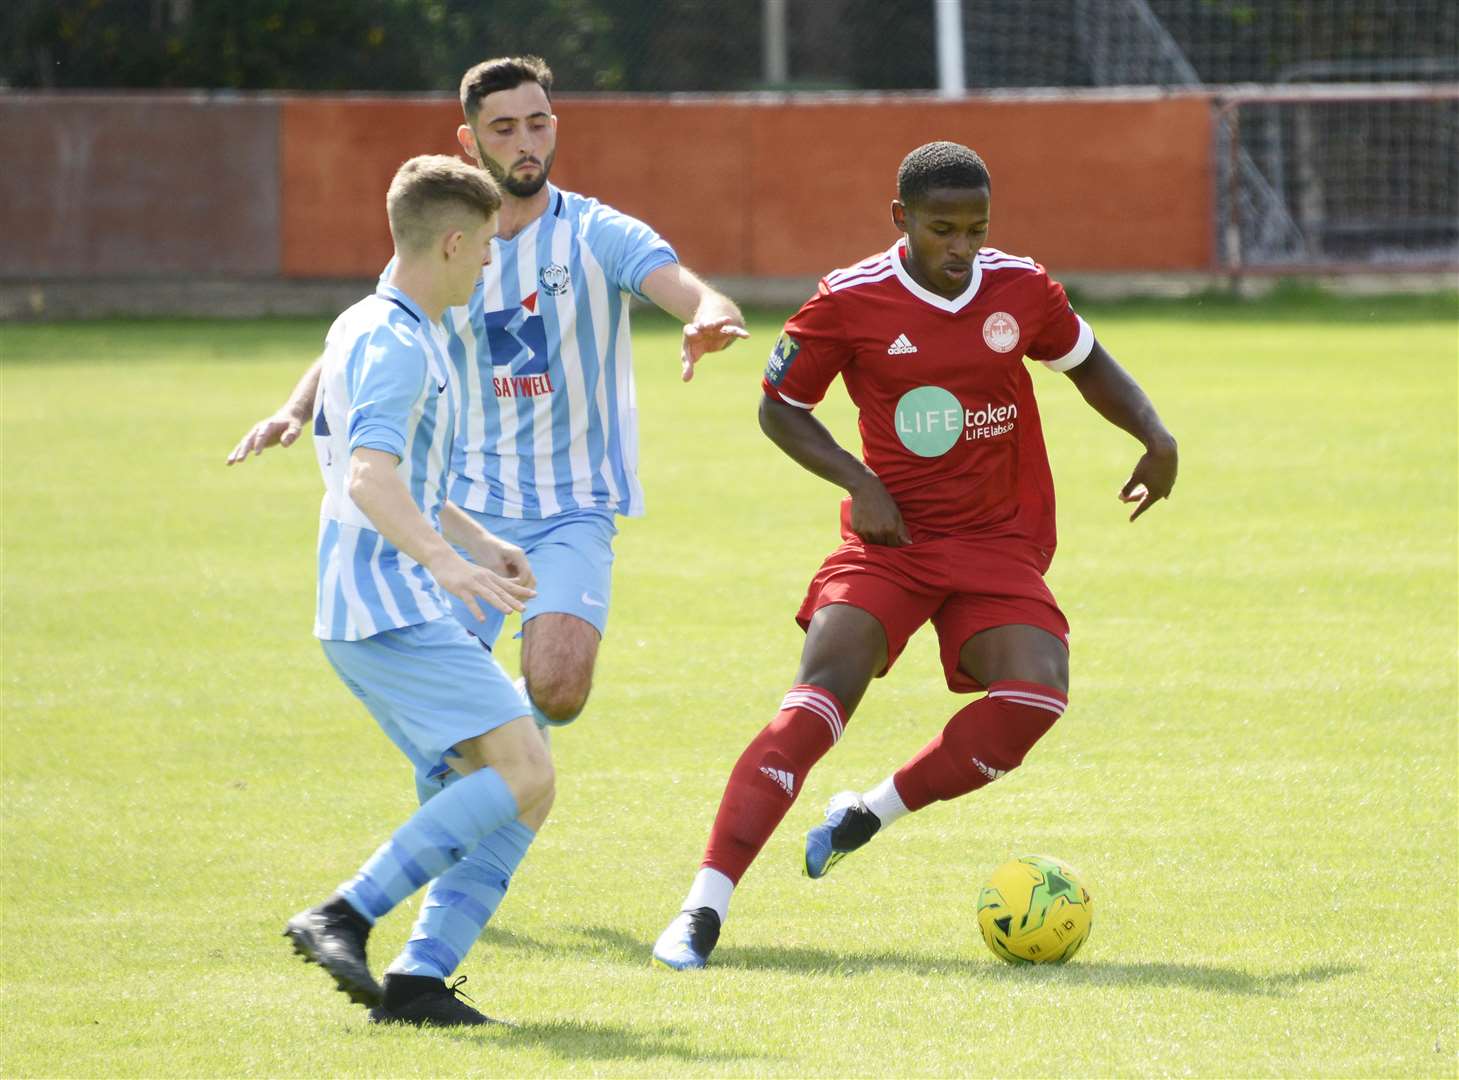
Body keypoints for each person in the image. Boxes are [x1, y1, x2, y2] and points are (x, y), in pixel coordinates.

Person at [652, 141, 1179, 969]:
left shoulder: (1020, 288)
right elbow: (779, 408)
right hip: (890, 543)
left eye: (975, 229)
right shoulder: (848, 299)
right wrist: (859, 482)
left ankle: (869, 812)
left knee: (1036, 697)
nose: (961, 248)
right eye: (942, 229)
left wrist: (1154, 435)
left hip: (998, 543)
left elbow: (1086, 364)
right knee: (815, 701)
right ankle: (701, 909)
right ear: (901, 220)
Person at [228, 55, 747, 732]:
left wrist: (707, 313)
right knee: (448, 710)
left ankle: (507, 763)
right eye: (503, 129)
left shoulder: (595, 231)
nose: (525, 142)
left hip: (573, 506)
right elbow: (373, 330)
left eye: (537, 124)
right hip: (463, 503)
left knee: (558, 687)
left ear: (555, 126)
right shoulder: (449, 245)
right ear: (468, 142)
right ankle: (492, 791)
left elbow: (680, 282)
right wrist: (296, 407)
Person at [284, 154, 553, 1027]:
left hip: (371, 606)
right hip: (387, 604)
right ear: (450, 241)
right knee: (523, 767)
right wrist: (445, 563)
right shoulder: (398, 342)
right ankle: (344, 914)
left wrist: (477, 539)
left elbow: (400, 470)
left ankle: (419, 981)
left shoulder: (373, 318)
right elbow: (368, 476)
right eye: (483, 249)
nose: (487, 266)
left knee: (520, 782)